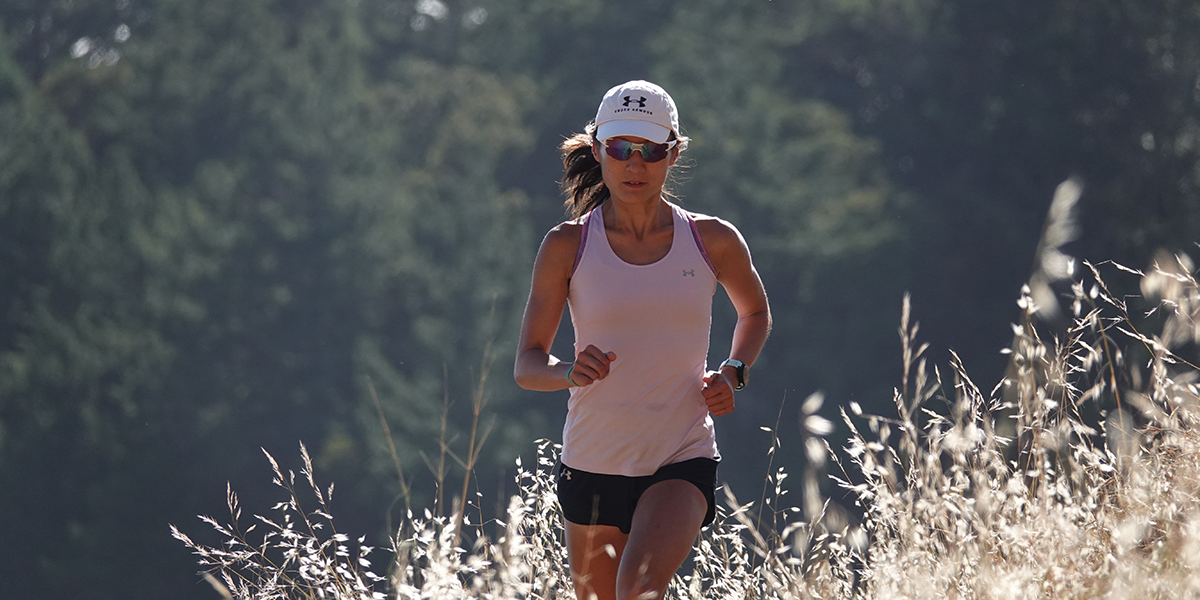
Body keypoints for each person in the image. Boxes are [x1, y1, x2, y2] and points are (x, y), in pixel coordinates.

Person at [514, 80, 771, 600]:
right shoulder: (567, 245)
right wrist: (569, 371)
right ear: (597, 151)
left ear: (673, 154)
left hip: (682, 455)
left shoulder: (712, 239)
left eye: (650, 151)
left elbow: (755, 311)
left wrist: (734, 371)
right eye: (620, 149)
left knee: (638, 588)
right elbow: (527, 364)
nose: (634, 164)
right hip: (592, 462)